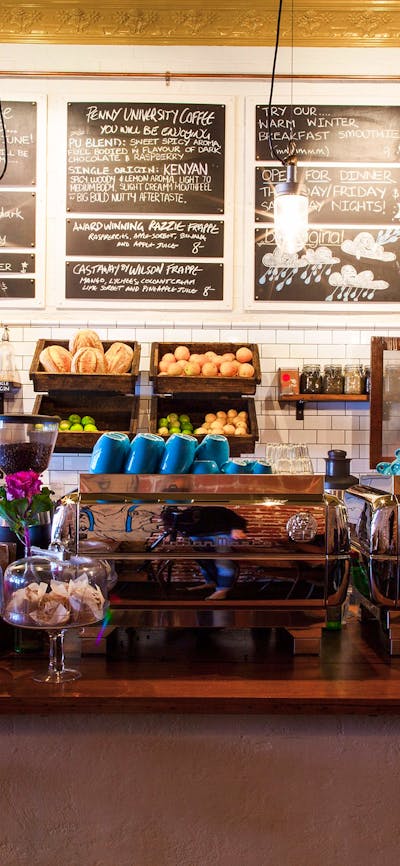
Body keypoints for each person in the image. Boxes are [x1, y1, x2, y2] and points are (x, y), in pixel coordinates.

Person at [161, 505, 247, 599]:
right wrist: (171, 534)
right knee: (204, 561)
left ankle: (223, 589)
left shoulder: (217, 508)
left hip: (220, 535)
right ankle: (211, 582)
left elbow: (237, 519)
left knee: (223, 561)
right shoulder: (187, 510)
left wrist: (237, 528)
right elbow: (174, 524)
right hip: (197, 536)